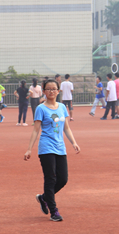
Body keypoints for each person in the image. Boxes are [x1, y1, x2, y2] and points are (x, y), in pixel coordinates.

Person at [24, 79, 80, 222]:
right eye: (48, 89)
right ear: (44, 91)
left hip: (60, 147)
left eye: (54, 89)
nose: (51, 91)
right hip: (46, 147)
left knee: (63, 179)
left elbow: (66, 127)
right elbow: (36, 130)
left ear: (58, 91)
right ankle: (54, 211)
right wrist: (29, 149)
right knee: (50, 178)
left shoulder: (62, 107)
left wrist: (73, 142)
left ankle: (44, 198)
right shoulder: (41, 109)